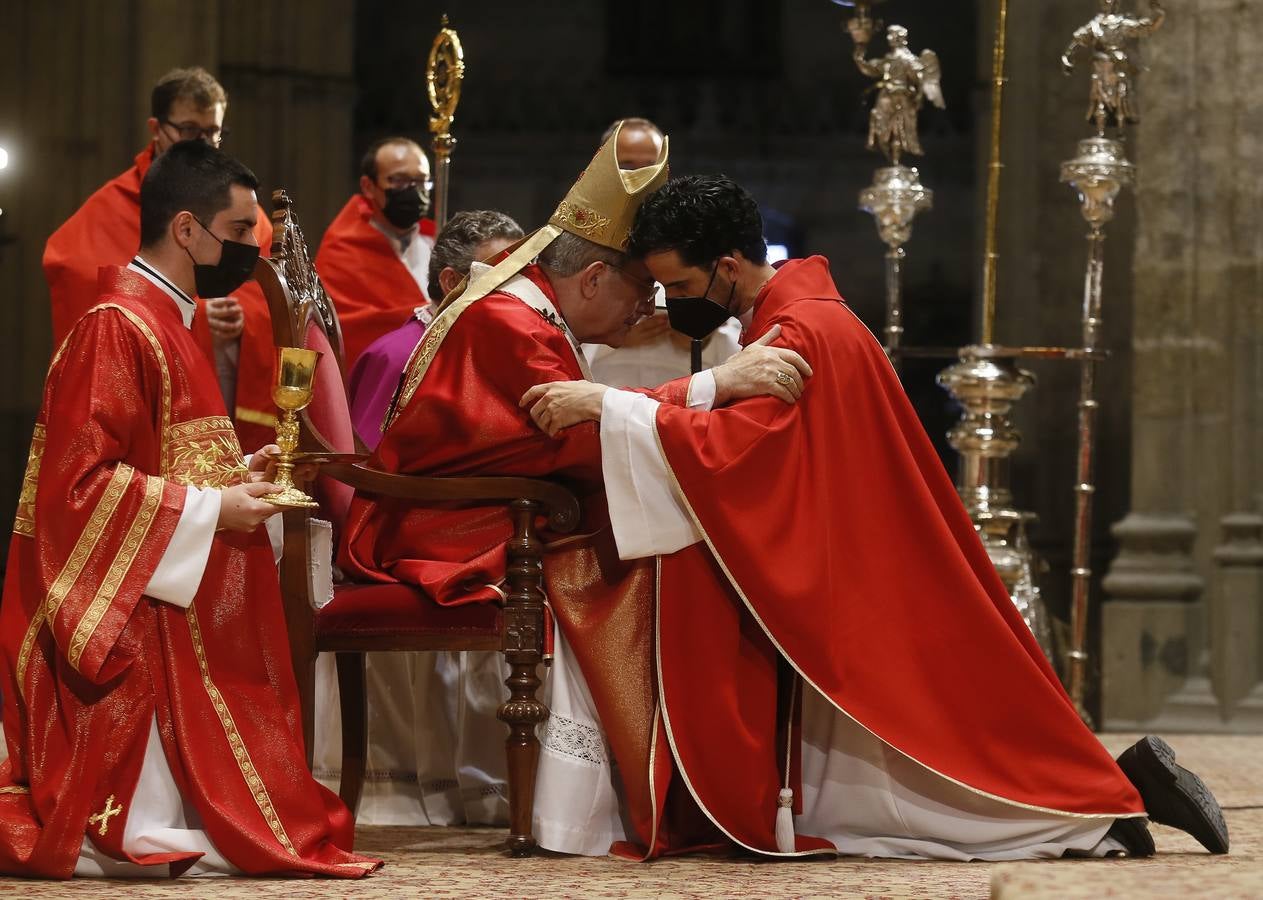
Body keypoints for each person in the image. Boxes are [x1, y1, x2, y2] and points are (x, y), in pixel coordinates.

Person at [519, 175, 1230, 860]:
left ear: (728, 266)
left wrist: (604, 406)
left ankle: (1104, 803)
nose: (672, 304)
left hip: (855, 570)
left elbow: (736, 454)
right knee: (917, 749)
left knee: (916, 757)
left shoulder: (798, 333)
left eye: (679, 286)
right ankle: (1100, 815)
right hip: (861, 546)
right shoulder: (803, 314)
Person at [337, 127, 809, 855]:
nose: (646, 308)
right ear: (590, 280)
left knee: (665, 538)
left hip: (491, 512)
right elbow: (575, 442)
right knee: (662, 561)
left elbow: (570, 431)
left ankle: (658, 784)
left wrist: (630, 377)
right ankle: (636, 793)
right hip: (450, 532)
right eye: (639, 290)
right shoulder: (509, 321)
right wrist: (715, 386)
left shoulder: (523, 308)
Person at [0, 141, 381, 879]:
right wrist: (211, 510)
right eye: (239, 233)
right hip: (133, 623)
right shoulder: (117, 324)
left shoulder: (170, 318)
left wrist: (238, 474)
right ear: (185, 230)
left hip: (172, 585)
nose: (250, 251)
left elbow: (159, 464)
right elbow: (75, 490)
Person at [42, 66, 278, 453]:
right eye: (189, 131)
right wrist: (197, 315)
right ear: (156, 127)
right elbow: (75, 271)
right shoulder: (115, 204)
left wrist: (239, 317)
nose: (202, 144)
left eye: (212, 133)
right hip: (142, 405)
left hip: (219, 391)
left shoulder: (239, 207)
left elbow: (265, 289)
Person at [583, 118, 742, 389]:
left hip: (682, 392)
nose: (640, 177)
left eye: (650, 167)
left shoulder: (696, 232)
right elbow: (553, 324)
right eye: (627, 165)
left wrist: (702, 331)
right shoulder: (576, 234)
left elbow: (732, 305)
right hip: (603, 391)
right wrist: (610, 335)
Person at [347, 209, 524, 450]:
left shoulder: (509, 348)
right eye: (498, 278)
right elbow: (369, 467)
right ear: (451, 282)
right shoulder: (400, 358)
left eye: (521, 276)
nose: (516, 292)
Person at [316, 137, 436, 369]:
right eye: (399, 181)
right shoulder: (343, 249)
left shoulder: (438, 244)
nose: (413, 190)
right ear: (368, 186)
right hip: (373, 379)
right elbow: (344, 329)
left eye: (422, 181)